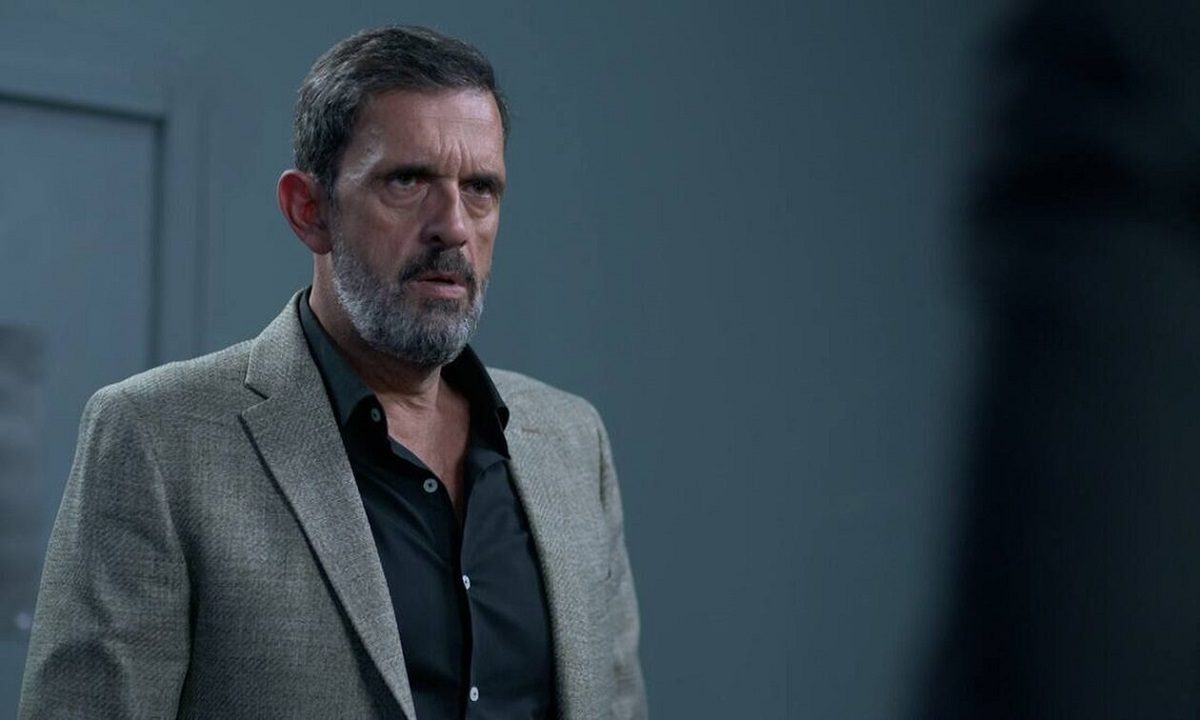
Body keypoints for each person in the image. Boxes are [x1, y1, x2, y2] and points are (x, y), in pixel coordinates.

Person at [19, 25, 646, 720]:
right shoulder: (156, 439)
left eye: (480, 188)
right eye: (408, 181)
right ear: (309, 211)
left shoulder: (572, 443)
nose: (453, 226)